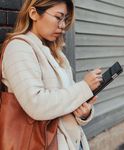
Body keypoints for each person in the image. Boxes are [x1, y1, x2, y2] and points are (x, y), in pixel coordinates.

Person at [1, 0, 102, 149]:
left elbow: (68, 97)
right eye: (58, 17)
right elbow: (37, 105)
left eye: (65, 19)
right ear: (34, 14)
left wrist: (83, 112)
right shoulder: (18, 49)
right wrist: (84, 88)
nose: (62, 26)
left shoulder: (57, 53)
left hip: (71, 142)